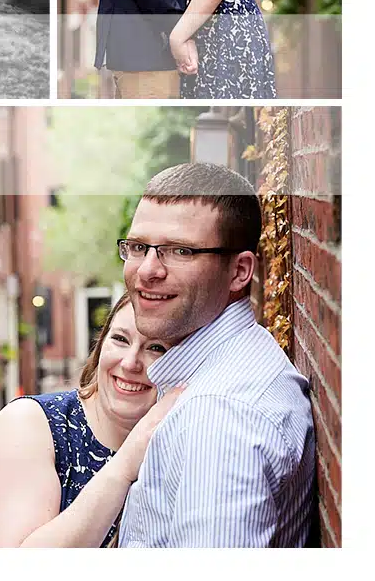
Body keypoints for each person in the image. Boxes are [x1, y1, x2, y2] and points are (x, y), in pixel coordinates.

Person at [119, 162, 314, 546]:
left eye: (180, 251)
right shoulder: (226, 369)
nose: (147, 270)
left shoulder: (219, 418)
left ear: (240, 272)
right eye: (139, 247)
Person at [0, 294, 181, 547]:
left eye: (156, 348)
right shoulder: (31, 423)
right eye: (120, 339)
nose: (130, 363)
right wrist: (126, 463)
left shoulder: (180, 443)